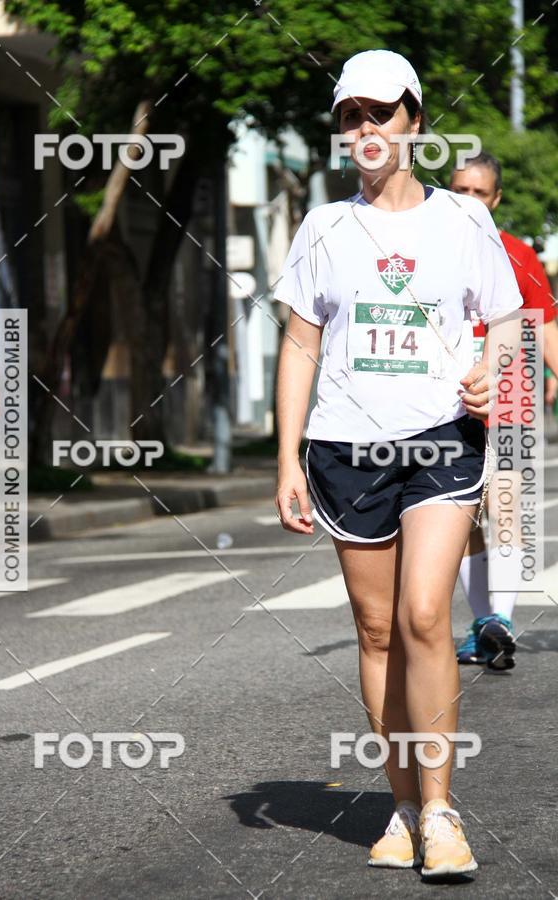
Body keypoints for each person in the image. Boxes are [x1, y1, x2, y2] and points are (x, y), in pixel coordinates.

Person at [273, 49, 523, 878]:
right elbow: (300, 347)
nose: (366, 129)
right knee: (376, 630)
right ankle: (403, 805)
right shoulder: (323, 228)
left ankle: (444, 812)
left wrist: (492, 373)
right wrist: (286, 459)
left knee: (424, 616)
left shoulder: (463, 221)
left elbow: (505, 322)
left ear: (416, 120)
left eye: (381, 112)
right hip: (345, 448)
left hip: (442, 441)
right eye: (352, 116)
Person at [449, 153, 558, 669]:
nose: (468, 200)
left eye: (478, 192)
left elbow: (546, 327)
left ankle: (503, 619)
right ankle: (482, 625)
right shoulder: (428, 250)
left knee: (506, 508)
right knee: (460, 517)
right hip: (449, 404)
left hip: (512, 394)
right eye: (459, 190)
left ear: (494, 199)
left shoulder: (517, 255)